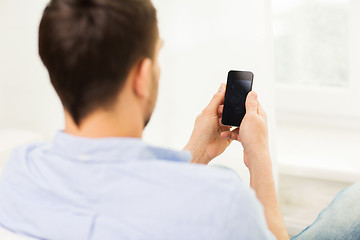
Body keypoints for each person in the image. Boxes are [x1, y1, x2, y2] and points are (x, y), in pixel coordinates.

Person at [0, 0, 289, 239]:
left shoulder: (19, 171)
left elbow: (136, 201)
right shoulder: (223, 203)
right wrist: (259, 156)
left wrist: (198, 151)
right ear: (141, 76)